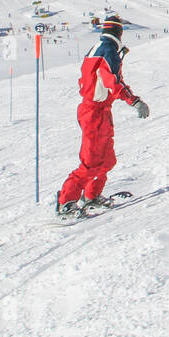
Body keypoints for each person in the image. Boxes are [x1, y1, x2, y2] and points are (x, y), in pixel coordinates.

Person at [56, 15, 150, 217]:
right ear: (119, 32)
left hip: (99, 111)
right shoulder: (108, 51)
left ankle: (92, 196)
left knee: (107, 160)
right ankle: (66, 203)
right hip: (94, 113)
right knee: (90, 162)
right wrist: (134, 101)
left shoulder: (98, 48)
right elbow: (113, 81)